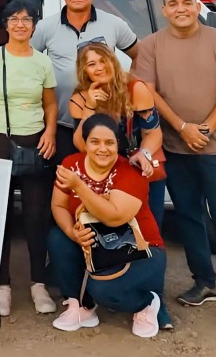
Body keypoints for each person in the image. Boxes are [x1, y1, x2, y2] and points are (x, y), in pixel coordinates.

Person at [134, 0, 216, 331]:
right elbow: (147, 91)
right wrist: (182, 127)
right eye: (173, 3)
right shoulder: (151, 45)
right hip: (175, 148)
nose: (180, 9)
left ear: (197, 6)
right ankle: (205, 282)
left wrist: (204, 128)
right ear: (164, 10)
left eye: (187, 2)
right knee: (189, 218)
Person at [48, 113, 169, 338]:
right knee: (58, 237)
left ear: (117, 144)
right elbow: (58, 205)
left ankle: (146, 303)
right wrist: (73, 234)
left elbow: (115, 218)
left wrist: (79, 186)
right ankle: (79, 306)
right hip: (98, 246)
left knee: (102, 290)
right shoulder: (71, 163)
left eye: (109, 143)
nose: (102, 149)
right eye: (95, 142)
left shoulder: (131, 170)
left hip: (140, 250)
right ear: (85, 143)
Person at [0, 0, 58, 316]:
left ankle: (38, 284)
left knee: (37, 218)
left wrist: (50, 132)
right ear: (5, 24)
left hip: (36, 143)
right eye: (14, 19)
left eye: (26, 19)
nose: (20, 24)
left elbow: (50, 103)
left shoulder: (42, 62)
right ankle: (2, 287)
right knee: (1, 218)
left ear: (34, 25)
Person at [31, 0, 139, 163]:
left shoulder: (114, 24)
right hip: (62, 123)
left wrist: (128, 87)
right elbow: (27, 61)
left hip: (106, 122)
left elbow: (139, 55)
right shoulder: (45, 27)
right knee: (67, 174)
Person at [69, 41, 167, 227]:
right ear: (84, 71)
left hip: (139, 164)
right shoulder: (79, 99)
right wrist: (90, 106)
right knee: (111, 230)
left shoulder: (135, 88)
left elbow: (154, 134)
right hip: (104, 169)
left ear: (113, 61)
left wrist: (143, 153)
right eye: (92, 64)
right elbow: (82, 146)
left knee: (148, 229)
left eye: (103, 60)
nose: (99, 67)